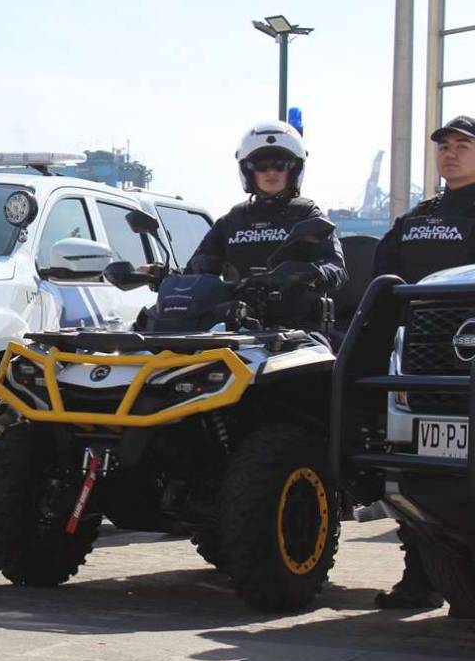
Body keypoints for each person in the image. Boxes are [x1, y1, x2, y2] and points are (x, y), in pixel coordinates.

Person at [370, 115, 475, 612]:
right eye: (443, 146)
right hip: (417, 360)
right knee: (413, 470)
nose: (449, 154)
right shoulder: (417, 217)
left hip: (465, 357)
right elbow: (382, 278)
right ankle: (421, 576)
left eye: (462, 145)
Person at [185, 120, 347, 330]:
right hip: (236, 329)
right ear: (248, 170)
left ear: (294, 169)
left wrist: (308, 273)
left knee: (314, 350)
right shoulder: (232, 221)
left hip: (299, 332)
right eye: (261, 165)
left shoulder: (307, 214)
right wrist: (161, 276)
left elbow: (336, 268)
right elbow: (196, 271)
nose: (271, 172)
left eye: (280, 164)